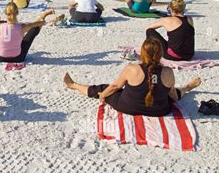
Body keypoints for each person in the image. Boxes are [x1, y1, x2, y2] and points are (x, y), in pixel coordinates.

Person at [63, 38, 202, 116]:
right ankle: (188, 87)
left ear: (142, 53)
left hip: (128, 107)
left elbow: (115, 87)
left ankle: (73, 85)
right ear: (161, 54)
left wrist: (102, 95)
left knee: (106, 88)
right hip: (159, 110)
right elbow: (173, 95)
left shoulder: (132, 68)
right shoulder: (168, 72)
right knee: (169, 92)